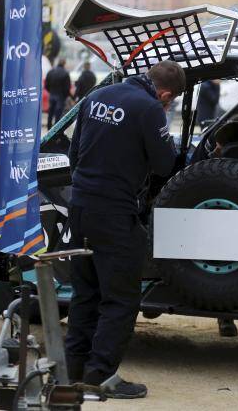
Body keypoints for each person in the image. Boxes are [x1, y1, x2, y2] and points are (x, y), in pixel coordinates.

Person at [65, 60, 185, 399]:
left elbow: (74, 153)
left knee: (85, 292)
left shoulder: (96, 96)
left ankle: (73, 370)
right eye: (170, 100)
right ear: (164, 93)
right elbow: (164, 164)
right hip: (115, 214)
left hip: (80, 206)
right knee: (120, 298)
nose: (168, 104)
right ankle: (100, 376)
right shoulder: (150, 110)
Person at [45, 58, 71, 129]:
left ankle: (49, 126)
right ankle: (55, 129)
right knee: (58, 113)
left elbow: (46, 84)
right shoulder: (65, 73)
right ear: (64, 64)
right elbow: (67, 88)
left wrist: (50, 91)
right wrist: (65, 96)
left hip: (52, 94)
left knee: (50, 112)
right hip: (60, 96)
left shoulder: (51, 71)